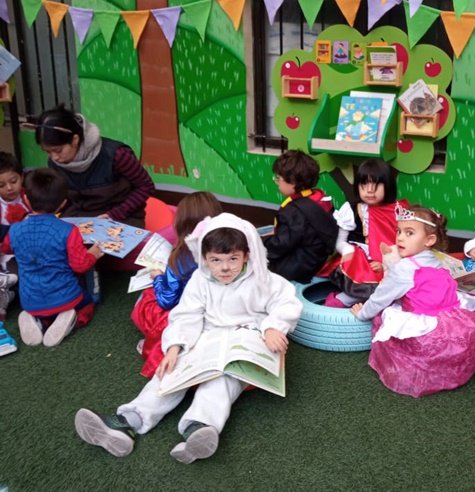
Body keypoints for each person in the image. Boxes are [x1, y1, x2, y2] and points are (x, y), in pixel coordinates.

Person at [74, 213, 302, 463]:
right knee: (170, 371)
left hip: (245, 339)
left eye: (233, 259)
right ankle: (129, 420)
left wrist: (273, 327)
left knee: (221, 381)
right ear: (204, 258)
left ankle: (198, 428)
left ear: (247, 255)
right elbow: (187, 314)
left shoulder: (264, 280)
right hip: (206, 337)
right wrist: (175, 346)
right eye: (216, 260)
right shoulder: (200, 280)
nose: (225, 267)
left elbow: (286, 303)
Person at [351, 204, 475, 398]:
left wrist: (362, 313)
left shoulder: (404, 269)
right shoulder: (439, 260)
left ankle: (417, 370)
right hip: (455, 325)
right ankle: (449, 370)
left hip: (428, 334)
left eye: (409, 233)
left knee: (385, 315)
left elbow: (379, 298)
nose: (400, 238)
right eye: (398, 231)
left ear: (429, 240)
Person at [2, 168, 103, 346]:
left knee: (43, 306)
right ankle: (72, 319)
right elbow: (80, 265)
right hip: (68, 298)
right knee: (88, 303)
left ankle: (37, 319)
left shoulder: (15, 229)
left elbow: (7, 248)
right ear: (63, 203)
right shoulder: (69, 230)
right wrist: (93, 253)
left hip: (30, 301)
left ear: (26, 199)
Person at [131, 191, 223, 378]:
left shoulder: (182, 257)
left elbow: (167, 300)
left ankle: (155, 342)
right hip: (218, 310)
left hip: (185, 313)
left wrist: (158, 278)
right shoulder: (225, 250)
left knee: (146, 299)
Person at [33, 104, 155, 228]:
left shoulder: (116, 155)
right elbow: (61, 197)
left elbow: (146, 186)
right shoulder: (55, 162)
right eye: (48, 152)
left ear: (75, 140)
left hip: (121, 216)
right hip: (79, 215)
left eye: (58, 150)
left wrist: (115, 214)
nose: (54, 157)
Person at [325, 159, 408, 308]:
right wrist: (348, 251)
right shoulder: (352, 209)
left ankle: (369, 303)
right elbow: (340, 241)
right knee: (363, 273)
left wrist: (386, 263)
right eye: (364, 184)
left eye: (376, 184)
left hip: (390, 258)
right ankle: (344, 299)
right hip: (359, 259)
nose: (369, 190)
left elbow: (406, 243)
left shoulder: (398, 210)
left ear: (388, 185)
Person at [263, 150, 338, 283]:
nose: (277, 182)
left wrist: (260, 246)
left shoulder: (294, 211)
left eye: (278, 178)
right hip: (320, 256)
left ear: (292, 181)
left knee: (259, 265)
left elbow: (281, 244)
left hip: (303, 266)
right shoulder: (318, 197)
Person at [0, 151, 28, 318]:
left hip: (24, 252)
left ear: (21, 177)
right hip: (4, 253)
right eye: (1, 185)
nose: (9, 188)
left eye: (13, 181)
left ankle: (9, 291)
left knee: (22, 276)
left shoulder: (30, 197)